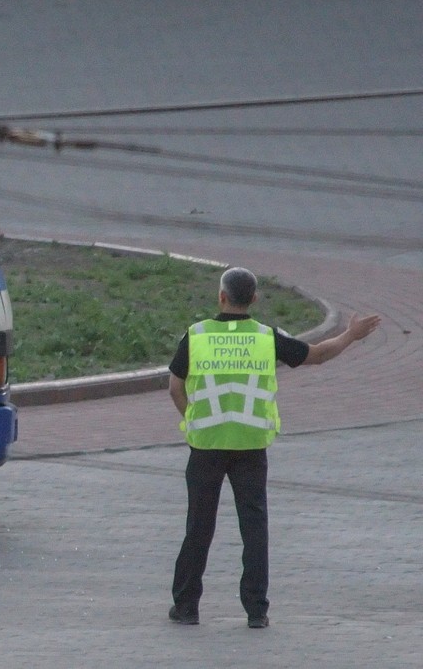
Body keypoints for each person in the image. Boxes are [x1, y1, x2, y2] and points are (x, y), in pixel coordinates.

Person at [167, 267, 379, 628]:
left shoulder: (197, 335)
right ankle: (256, 611)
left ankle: (186, 607)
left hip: (207, 445)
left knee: (199, 526)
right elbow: (317, 355)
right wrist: (351, 335)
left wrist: (193, 423)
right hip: (251, 445)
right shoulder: (266, 337)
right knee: (254, 526)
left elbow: (175, 386)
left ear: (221, 297)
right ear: (254, 300)